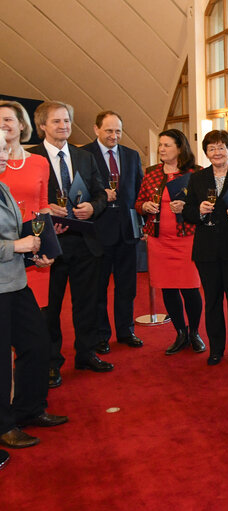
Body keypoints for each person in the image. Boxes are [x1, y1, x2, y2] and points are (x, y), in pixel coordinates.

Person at [28, 101, 111, 388]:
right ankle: (52, 363)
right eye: (56, 122)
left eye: (66, 121)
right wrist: (46, 208)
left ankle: (86, 354)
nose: (63, 126)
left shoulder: (84, 157)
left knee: (86, 304)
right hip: (49, 245)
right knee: (49, 310)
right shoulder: (31, 158)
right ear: (42, 126)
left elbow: (102, 193)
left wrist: (93, 206)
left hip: (85, 242)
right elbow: (25, 202)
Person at [0, 129, 68, 459]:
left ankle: (29, 409)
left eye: (5, 149)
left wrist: (33, 252)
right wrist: (15, 246)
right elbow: (11, 239)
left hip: (15, 281)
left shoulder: (2, 187)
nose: (5, 156)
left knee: (37, 344)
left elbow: (23, 224)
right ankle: (4, 425)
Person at [182, 130, 228, 366]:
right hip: (207, 250)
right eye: (211, 148)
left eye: (221, 147)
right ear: (206, 152)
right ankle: (215, 349)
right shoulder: (197, 178)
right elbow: (187, 212)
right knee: (212, 301)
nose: (217, 152)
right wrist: (200, 212)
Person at [136, 129, 205, 356]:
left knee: (191, 289)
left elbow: (204, 206)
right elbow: (139, 202)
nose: (161, 149)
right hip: (159, 241)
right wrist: (145, 206)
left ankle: (194, 332)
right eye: (160, 145)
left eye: (167, 145)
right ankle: (180, 332)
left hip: (187, 239)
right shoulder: (152, 173)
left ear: (180, 148)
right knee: (168, 288)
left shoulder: (195, 174)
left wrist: (187, 207)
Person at [82, 111, 144, 354]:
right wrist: (98, 197)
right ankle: (100, 335)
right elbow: (78, 192)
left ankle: (126, 330)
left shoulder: (131, 155)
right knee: (98, 289)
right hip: (97, 232)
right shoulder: (84, 155)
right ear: (96, 129)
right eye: (109, 130)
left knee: (127, 287)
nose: (114, 136)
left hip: (127, 231)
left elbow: (139, 192)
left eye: (118, 131)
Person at [0, 100, 52, 307]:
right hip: (5, 253)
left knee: (34, 318)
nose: (2, 124)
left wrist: (48, 244)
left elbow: (43, 205)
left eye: (7, 119)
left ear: (22, 124)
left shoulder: (39, 162)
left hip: (33, 250)